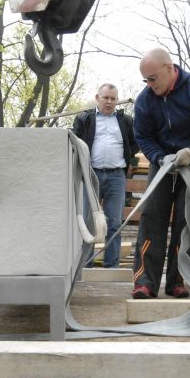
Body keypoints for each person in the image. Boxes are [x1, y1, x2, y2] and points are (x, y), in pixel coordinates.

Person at [131, 48, 190, 299]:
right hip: (162, 163)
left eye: (153, 78)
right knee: (152, 218)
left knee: (188, 222)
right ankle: (145, 281)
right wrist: (158, 157)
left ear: (169, 68)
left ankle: (176, 279)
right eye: (146, 80)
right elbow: (143, 136)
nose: (150, 85)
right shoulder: (145, 101)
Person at [72, 83, 138, 268]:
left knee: (114, 222)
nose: (109, 102)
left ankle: (112, 265)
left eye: (113, 98)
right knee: (88, 221)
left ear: (117, 100)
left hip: (116, 176)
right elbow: (74, 143)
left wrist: (127, 157)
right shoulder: (85, 118)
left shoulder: (125, 121)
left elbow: (135, 143)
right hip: (90, 175)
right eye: (105, 97)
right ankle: (85, 265)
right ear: (97, 97)